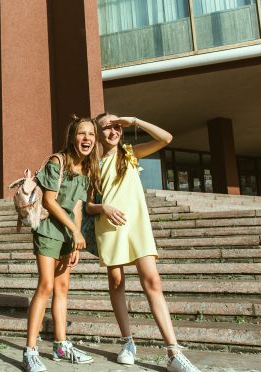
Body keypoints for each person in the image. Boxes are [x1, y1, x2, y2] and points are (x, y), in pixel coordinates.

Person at [87, 113, 200, 372]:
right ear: (98, 132)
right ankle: (128, 342)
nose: (114, 131)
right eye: (107, 127)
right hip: (110, 226)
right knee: (116, 282)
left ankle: (173, 351)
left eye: (117, 127)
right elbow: (88, 205)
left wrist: (135, 121)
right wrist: (103, 207)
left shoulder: (129, 153)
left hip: (137, 226)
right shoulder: (92, 163)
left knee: (152, 281)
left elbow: (166, 138)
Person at [22, 115, 100, 372]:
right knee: (45, 285)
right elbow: (49, 201)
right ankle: (30, 351)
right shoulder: (58, 161)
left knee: (62, 288)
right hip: (47, 230)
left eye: (90, 134)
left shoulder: (86, 169)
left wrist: (75, 238)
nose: (86, 138)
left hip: (67, 235)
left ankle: (60, 345)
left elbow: (77, 205)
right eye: (81, 133)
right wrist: (75, 231)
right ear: (72, 137)